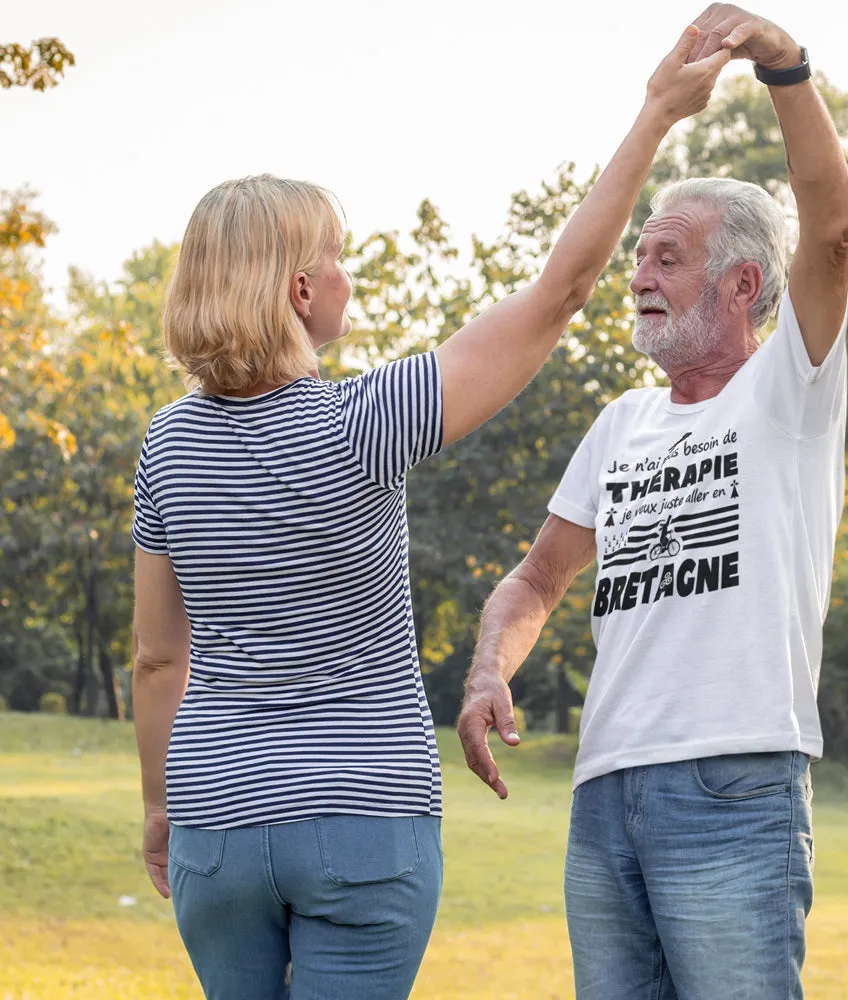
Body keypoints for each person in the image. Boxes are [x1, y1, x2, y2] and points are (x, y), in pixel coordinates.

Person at [130, 25, 732, 1000]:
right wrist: (658, 110)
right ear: (300, 290)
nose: (346, 276)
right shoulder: (369, 420)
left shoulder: (167, 443)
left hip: (216, 832)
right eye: (336, 258)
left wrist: (162, 805)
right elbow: (560, 292)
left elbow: (161, 658)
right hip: (364, 826)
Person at [457, 5, 848, 999]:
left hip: (734, 785)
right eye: (637, 256)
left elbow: (836, 229)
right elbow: (536, 579)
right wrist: (484, 672)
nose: (636, 276)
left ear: (741, 285)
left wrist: (784, 66)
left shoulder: (789, 390)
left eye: (665, 257)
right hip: (604, 793)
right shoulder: (618, 424)